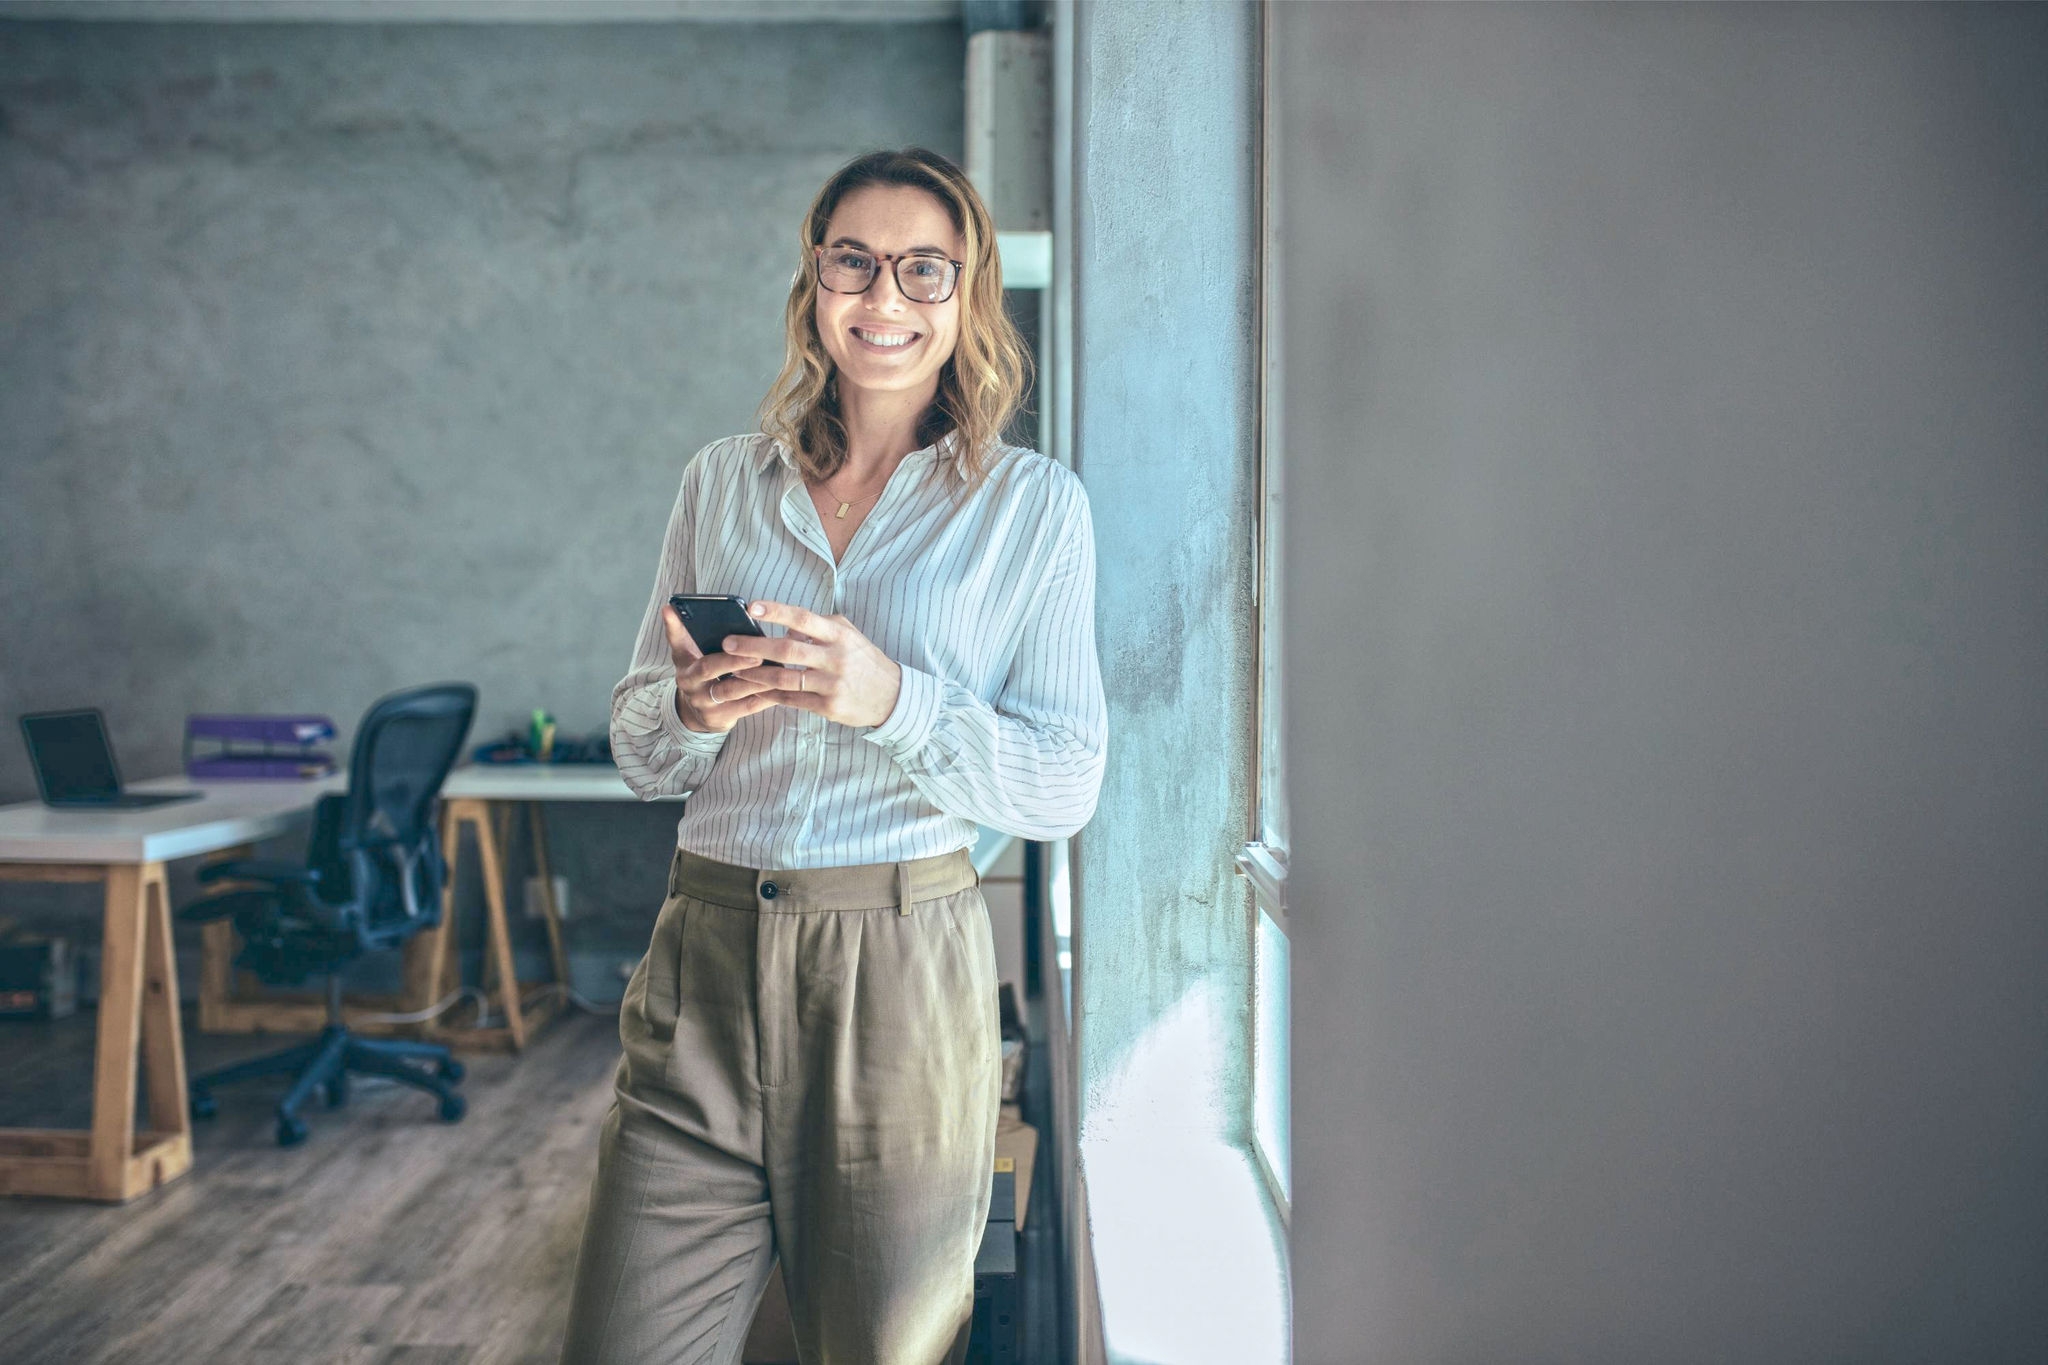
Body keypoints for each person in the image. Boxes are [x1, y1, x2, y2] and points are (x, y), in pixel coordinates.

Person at [558, 147, 1108, 1365]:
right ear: (812, 283)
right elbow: (641, 747)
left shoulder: (1033, 509)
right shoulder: (721, 481)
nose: (883, 296)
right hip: (702, 957)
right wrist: (693, 714)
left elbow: (1065, 781)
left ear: (966, 298)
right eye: (851, 261)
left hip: (900, 976)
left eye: (923, 270)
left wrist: (889, 700)